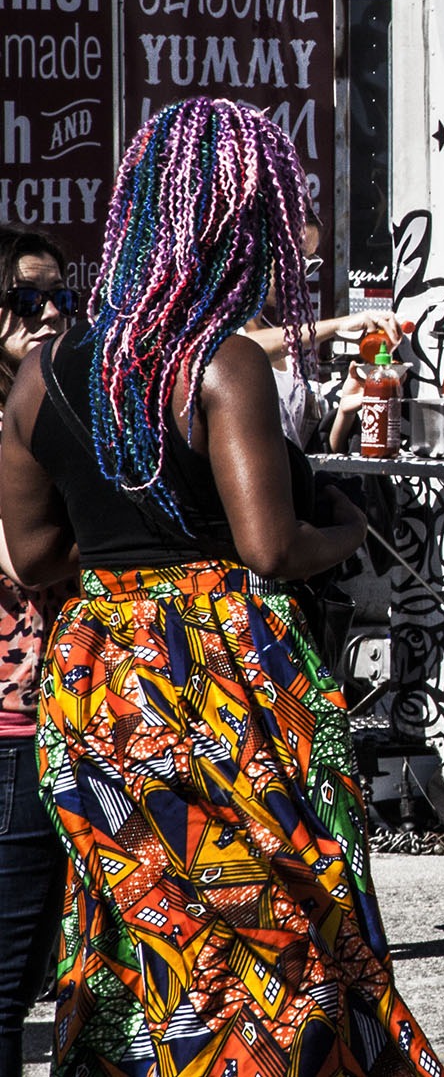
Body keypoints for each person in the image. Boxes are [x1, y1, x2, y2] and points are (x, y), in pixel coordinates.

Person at [0, 97, 441, 1077]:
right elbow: (270, 546)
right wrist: (350, 528)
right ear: (236, 233)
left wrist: (126, 587)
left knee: (144, 942)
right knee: (277, 937)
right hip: (221, 685)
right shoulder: (220, 363)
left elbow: (33, 560)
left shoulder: (43, 375)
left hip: (100, 686)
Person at [0, 228, 73, 1077]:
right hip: (14, 729)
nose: (51, 310)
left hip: (46, 718)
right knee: (9, 983)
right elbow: (25, 557)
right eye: (28, 298)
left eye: (59, 295)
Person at [238, 207, 402, 449]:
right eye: (295, 258)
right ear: (256, 251)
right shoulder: (219, 335)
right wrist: (338, 325)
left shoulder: (286, 349)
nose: (300, 274)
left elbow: (308, 455)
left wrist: (346, 410)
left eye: (309, 263)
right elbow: (243, 349)